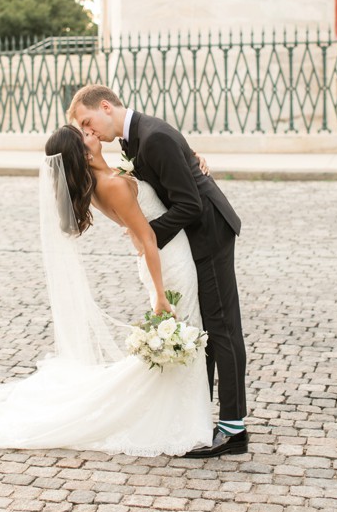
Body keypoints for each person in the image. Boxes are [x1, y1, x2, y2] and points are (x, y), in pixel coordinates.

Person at [0, 125, 214, 456]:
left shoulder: (106, 179)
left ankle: (184, 415)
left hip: (161, 260)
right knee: (185, 332)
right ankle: (182, 421)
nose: (92, 132)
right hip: (167, 262)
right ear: (85, 152)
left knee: (185, 336)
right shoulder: (114, 184)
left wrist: (191, 160)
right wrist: (160, 295)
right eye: (86, 135)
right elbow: (148, 237)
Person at [68, 84, 247, 459]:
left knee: (222, 327)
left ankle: (233, 430)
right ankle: (206, 414)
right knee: (207, 327)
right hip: (190, 239)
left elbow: (191, 205)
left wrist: (146, 236)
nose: (90, 132)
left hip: (209, 234)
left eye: (88, 122)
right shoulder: (134, 140)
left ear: (105, 106)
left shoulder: (153, 137)